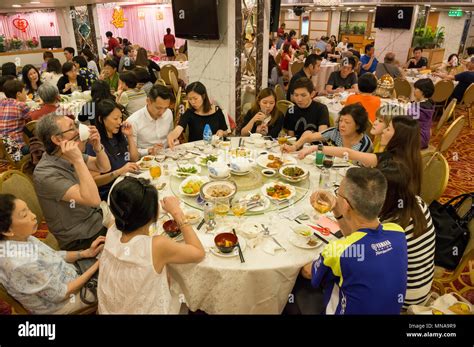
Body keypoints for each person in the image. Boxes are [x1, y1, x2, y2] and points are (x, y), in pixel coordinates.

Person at [299, 167, 407, 314]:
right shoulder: (397, 232)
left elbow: (308, 272)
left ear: (347, 205)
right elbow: (357, 239)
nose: (337, 196)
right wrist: (337, 207)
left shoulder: (339, 251)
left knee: (296, 287)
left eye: (338, 194)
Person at [98, 177, 205, 314]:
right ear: (152, 214)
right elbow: (198, 253)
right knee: (180, 289)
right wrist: (177, 212)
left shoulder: (112, 230)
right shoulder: (157, 245)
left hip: (111, 309)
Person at [0, 194, 105, 314]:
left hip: (70, 276)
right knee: (118, 282)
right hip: (63, 303)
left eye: (28, 209)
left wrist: (85, 253)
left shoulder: (20, 237)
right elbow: (61, 294)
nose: (33, 216)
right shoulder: (21, 263)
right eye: (24, 215)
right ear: (7, 231)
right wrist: (96, 266)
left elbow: (52, 255)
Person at [34, 113, 111, 250]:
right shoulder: (45, 174)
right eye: (72, 128)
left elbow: (104, 167)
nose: (78, 130)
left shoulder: (67, 155)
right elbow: (94, 200)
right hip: (80, 237)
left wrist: (97, 147)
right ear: (57, 139)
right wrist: (78, 161)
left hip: (96, 217)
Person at [299, 115, 422, 195]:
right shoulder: (410, 157)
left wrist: (316, 147)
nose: (383, 131)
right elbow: (349, 153)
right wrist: (316, 147)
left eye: (388, 129)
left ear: (399, 137)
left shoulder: (392, 164)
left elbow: (350, 153)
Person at [378, 161, 435, 310]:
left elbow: (372, 262)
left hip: (404, 297)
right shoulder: (417, 202)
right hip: (423, 284)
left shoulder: (393, 226)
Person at [86, 100, 139, 200]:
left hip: (127, 183)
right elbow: (95, 181)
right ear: (101, 119)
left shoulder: (118, 135)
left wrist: (130, 136)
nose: (119, 122)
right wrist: (119, 172)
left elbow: (134, 159)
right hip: (111, 192)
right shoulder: (95, 143)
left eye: (120, 118)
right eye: (115, 118)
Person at [284, 103, 372, 153]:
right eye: (341, 120)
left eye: (347, 122)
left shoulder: (364, 144)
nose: (342, 125)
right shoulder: (335, 132)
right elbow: (308, 137)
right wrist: (294, 147)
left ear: (358, 125)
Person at [167, 82, 229, 147]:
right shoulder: (189, 113)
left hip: (214, 149)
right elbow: (179, 128)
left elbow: (225, 132)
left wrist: (221, 131)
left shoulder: (217, 111)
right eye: (190, 99)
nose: (192, 102)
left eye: (195, 98)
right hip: (195, 151)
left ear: (203, 96)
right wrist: (172, 135)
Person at [127, 85, 174, 156]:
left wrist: (173, 140)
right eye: (158, 108)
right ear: (148, 101)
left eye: (165, 108)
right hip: (146, 160)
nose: (162, 112)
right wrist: (149, 151)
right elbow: (129, 152)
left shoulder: (168, 113)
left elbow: (170, 134)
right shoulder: (133, 121)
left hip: (167, 154)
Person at [0, 80, 31, 149]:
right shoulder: (20, 105)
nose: (25, 93)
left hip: (2, 150)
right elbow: (32, 121)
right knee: (40, 146)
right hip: (16, 150)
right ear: (18, 94)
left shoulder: (1, 103)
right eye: (24, 91)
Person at [409, 78, 435, 149]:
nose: (413, 91)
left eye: (416, 89)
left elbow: (407, 115)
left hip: (419, 139)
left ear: (423, 91)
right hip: (424, 135)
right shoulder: (429, 103)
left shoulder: (421, 109)